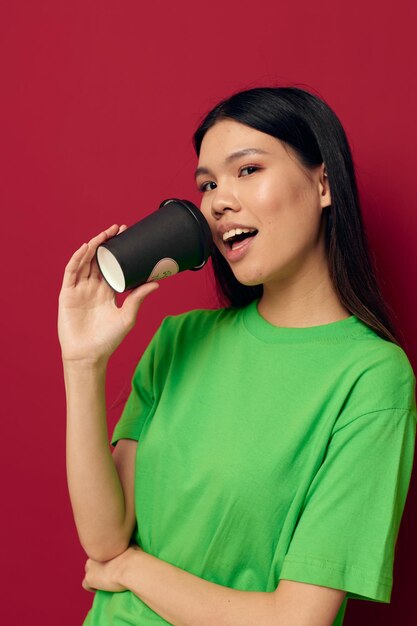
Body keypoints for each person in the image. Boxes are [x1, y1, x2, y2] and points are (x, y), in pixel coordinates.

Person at [58, 86, 417, 626]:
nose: (218, 201)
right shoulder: (179, 340)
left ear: (322, 183)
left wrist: (133, 570)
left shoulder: (371, 378)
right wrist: (82, 365)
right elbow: (105, 538)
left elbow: (297, 619)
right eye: (207, 184)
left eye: (247, 170)